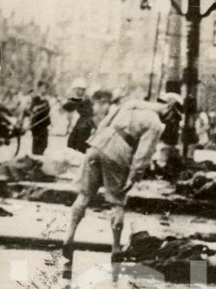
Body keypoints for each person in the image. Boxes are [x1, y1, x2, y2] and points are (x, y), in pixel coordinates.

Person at [63, 92, 183, 263]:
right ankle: (116, 248)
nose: (172, 121)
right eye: (174, 116)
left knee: (84, 195)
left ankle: (69, 237)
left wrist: (96, 142)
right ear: (170, 107)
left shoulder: (132, 103)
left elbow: (104, 123)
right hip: (119, 155)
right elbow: (143, 153)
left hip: (97, 145)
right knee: (117, 202)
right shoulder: (155, 124)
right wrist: (134, 176)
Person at [63, 79, 94, 153]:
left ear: (81, 89)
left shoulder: (84, 99)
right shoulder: (83, 98)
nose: (75, 91)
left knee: (76, 143)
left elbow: (68, 106)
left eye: (77, 89)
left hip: (85, 123)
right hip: (83, 122)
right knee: (72, 142)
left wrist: (65, 102)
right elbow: (68, 106)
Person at [26, 83, 52, 156]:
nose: (44, 90)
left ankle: (40, 155)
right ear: (39, 88)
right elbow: (32, 109)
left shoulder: (46, 99)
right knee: (37, 142)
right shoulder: (36, 98)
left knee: (44, 142)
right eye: (42, 88)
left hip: (44, 123)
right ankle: (35, 157)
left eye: (45, 88)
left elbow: (48, 110)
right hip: (37, 123)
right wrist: (41, 107)